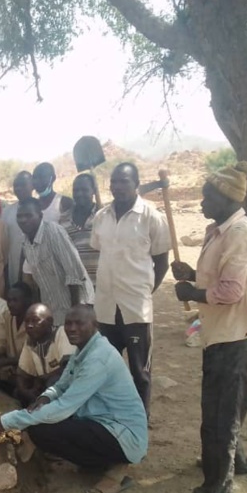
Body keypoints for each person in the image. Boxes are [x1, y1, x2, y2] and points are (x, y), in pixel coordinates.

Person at [169, 161, 247, 493]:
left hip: (235, 331)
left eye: (207, 196)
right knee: (226, 403)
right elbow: (220, 278)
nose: (201, 203)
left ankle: (216, 492)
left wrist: (191, 294)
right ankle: (231, 461)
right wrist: (194, 276)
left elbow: (229, 291)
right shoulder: (221, 231)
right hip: (226, 329)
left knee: (219, 410)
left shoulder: (239, 234)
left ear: (226, 198)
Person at [0, 305, 148, 493]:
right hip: (101, 422)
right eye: (69, 323)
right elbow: (61, 386)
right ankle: (96, 463)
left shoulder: (98, 358)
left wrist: (3, 423)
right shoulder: (83, 350)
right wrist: (45, 397)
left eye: (79, 323)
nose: (72, 328)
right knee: (41, 429)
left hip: (123, 434)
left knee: (42, 428)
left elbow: (63, 408)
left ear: (95, 326)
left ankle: (117, 468)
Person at [91, 162, 170, 420]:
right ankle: (112, 418)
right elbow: (98, 251)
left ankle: (139, 422)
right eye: (114, 181)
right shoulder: (101, 217)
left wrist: (145, 291)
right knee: (107, 369)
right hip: (105, 308)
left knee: (140, 372)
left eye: (124, 181)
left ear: (136, 183)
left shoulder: (151, 217)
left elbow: (161, 262)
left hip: (136, 309)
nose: (118, 187)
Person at [18, 198, 94, 325]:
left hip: (77, 306)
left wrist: (74, 312)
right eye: (19, 216)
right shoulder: (25, 242)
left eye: (28, 216)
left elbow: (74, 272)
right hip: (53, 309)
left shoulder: (54, 232)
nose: (23, 220)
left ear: (40, 216)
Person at [15, 303, 75, 407]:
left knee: (52, 382)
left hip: (64, 387)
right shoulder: (31, 341)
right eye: (27, 321)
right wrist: (26, 392)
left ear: (50, 322)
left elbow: (69, 368)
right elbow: (22, 374)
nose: (29, 325)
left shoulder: (61, 333)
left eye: (35, 320)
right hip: (44, 387)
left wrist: (42, 379)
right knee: (18, 391)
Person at [0, 282, 33, 388]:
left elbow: (30, 358)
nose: (11, 304)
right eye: (9, 300)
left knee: (18, 374)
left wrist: (2, 362)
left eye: (15, 300)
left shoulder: (35, 322)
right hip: (9, 364)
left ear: (27, 301)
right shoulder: (7, 316)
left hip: (28, 368)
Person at [63, 172, 101, 285]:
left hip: (102, 286)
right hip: (76, 287)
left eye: (84, 190)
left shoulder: (104, 217)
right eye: (76, 190)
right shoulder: (63, 220)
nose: (79, 194)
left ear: (93, 191)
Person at [2, 171, 34, 288]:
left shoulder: (40, 209)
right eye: (16, 185)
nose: (19, 188)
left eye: (23, 184)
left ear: (32, 185)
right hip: (13, 267)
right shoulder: (7, 212)